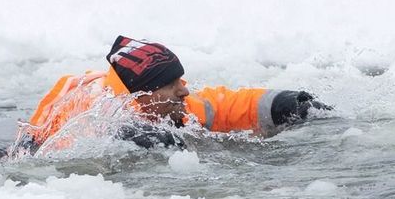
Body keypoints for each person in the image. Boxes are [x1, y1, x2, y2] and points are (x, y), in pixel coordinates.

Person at [17, 35, 327, 153]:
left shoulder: (172, 105)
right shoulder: (96, 113)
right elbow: (91, 143)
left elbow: (223, 105)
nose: (184, 89)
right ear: (143, 95)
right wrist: (145, 138)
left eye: (181, 79)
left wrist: (282, 104)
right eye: (172, 83)